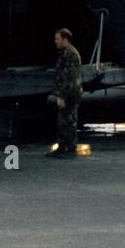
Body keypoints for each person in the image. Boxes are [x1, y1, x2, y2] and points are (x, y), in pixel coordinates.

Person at [46, 28, 83, 158]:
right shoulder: (65, 53)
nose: (55, 41)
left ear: (65, 39)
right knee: (62, 121)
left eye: (58, 39)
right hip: (68, 93)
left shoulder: (70, 55)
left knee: (69, 121)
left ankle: (70, 149)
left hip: (70, 94)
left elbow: (69, 79)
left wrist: (62, 96)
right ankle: (62, 147)